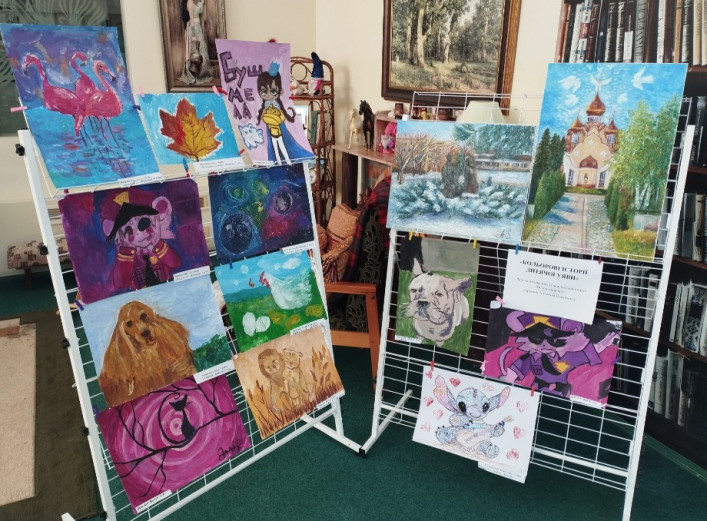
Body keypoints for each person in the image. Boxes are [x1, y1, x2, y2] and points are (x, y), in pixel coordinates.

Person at [256, 62, 309, 164]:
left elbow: (280, 117)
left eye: (273, 91)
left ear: (280, 91)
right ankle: (279, 162)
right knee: (275, 148)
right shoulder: (266, 106)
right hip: (271, 130)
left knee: (282, 145)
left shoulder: (277, 106)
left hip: (279, 130)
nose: (269, 95)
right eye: (264, 92)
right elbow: (265, 116)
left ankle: (287, 161)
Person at [179, 0, 213, 85]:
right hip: (194, 28)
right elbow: (192, 20)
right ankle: (194, 74)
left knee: (201, 48)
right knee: (195, 49)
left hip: (198, 27)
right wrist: (193, 34)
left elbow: (199, 11)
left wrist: (202, 2)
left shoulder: (193, 2)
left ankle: (202, 72)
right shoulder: (190, 2)